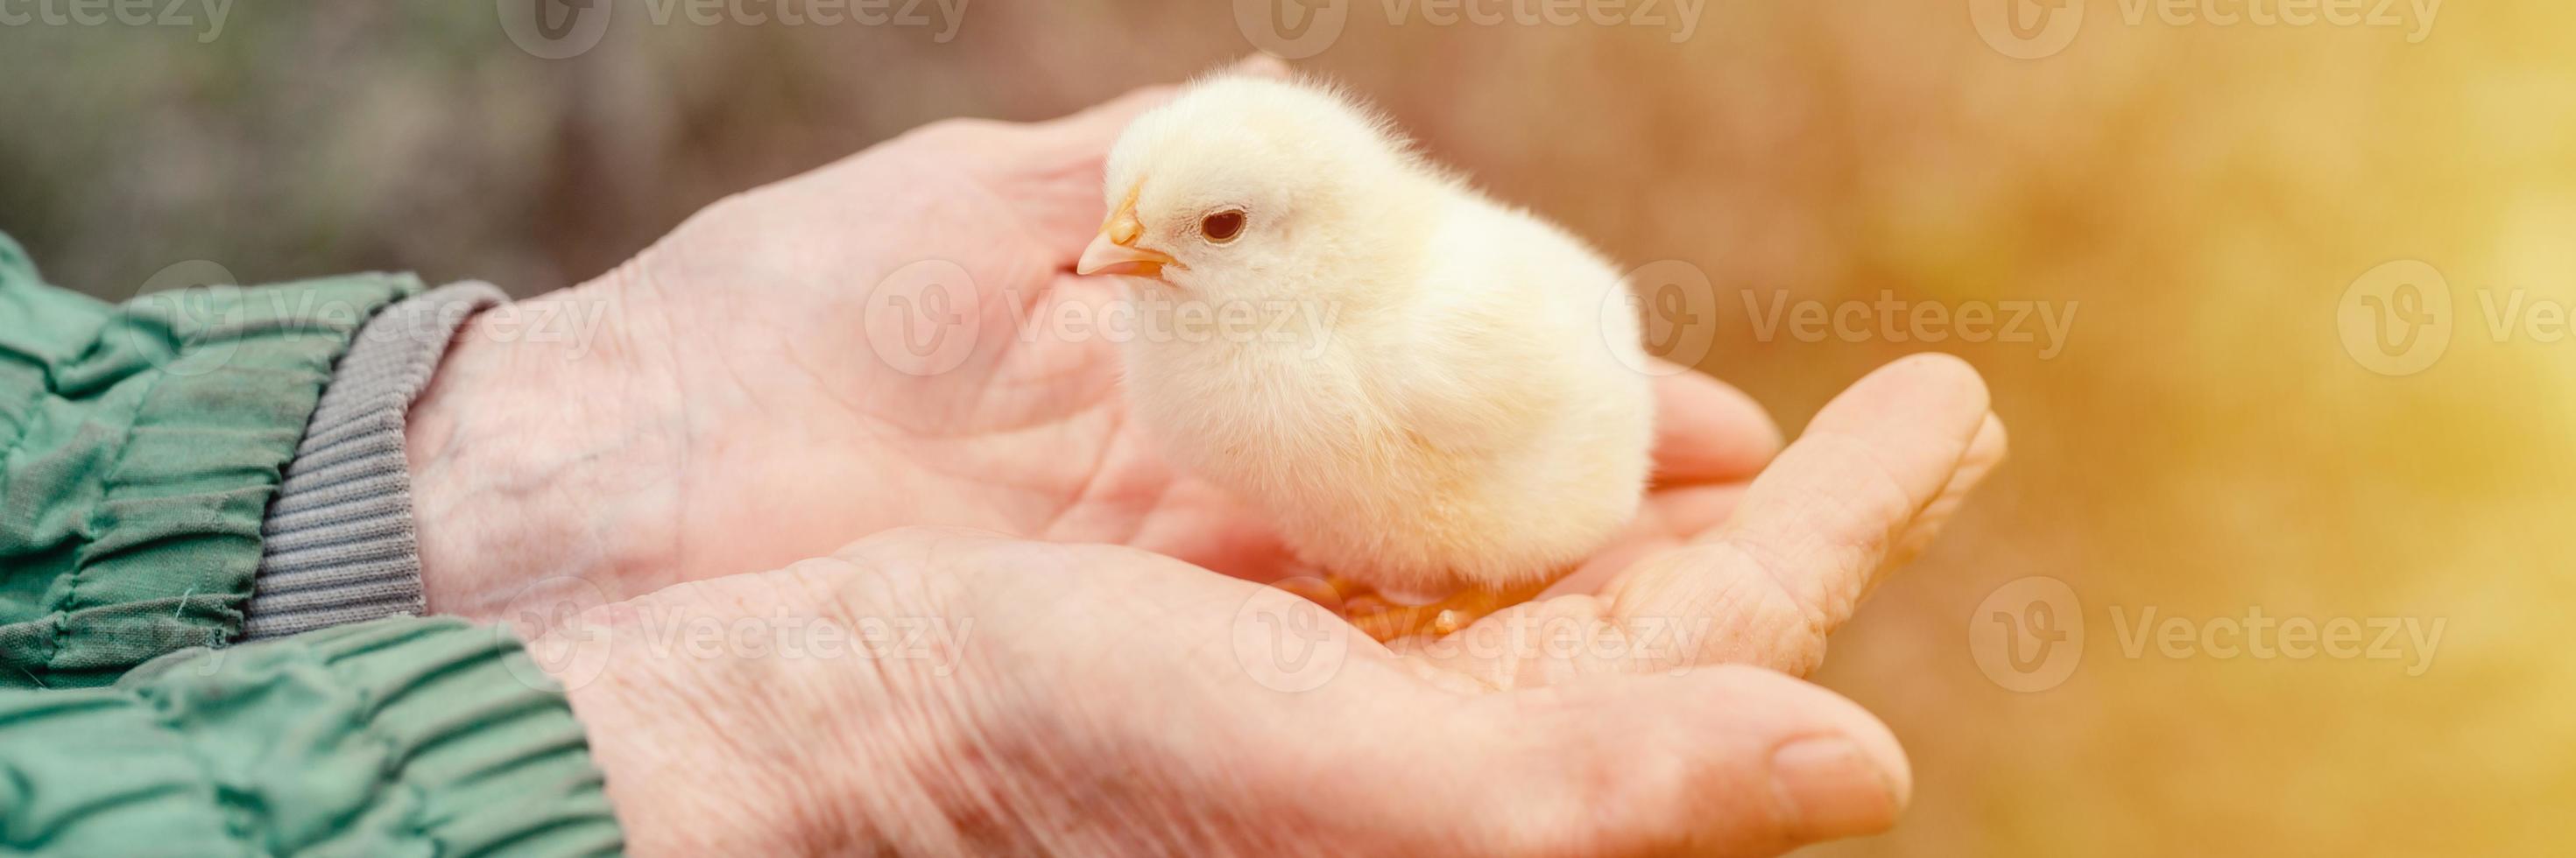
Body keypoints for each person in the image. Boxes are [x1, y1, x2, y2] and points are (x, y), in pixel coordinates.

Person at [0, 60, 2007, 856]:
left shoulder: (1438, 323)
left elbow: (1553, 406)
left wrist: (490, 455)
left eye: (1193, 233)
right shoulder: (1221, 309)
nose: (1115, 259)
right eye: (1134, 223)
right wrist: (837, 722)